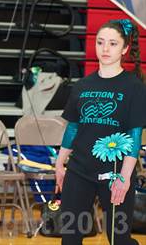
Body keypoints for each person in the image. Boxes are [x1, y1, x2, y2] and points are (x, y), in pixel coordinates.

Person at [55, 19, 146, 245]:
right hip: (79, 171)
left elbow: (135, 136)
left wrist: (124, 178)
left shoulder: (134, 87)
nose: (105, 49)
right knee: (70, 237)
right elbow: (73, 127)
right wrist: (60, 162)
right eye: (100, 42)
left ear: (124, 49)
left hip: (115, 172)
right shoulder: (82, 85)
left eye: (113, 44)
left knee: (119, 239)